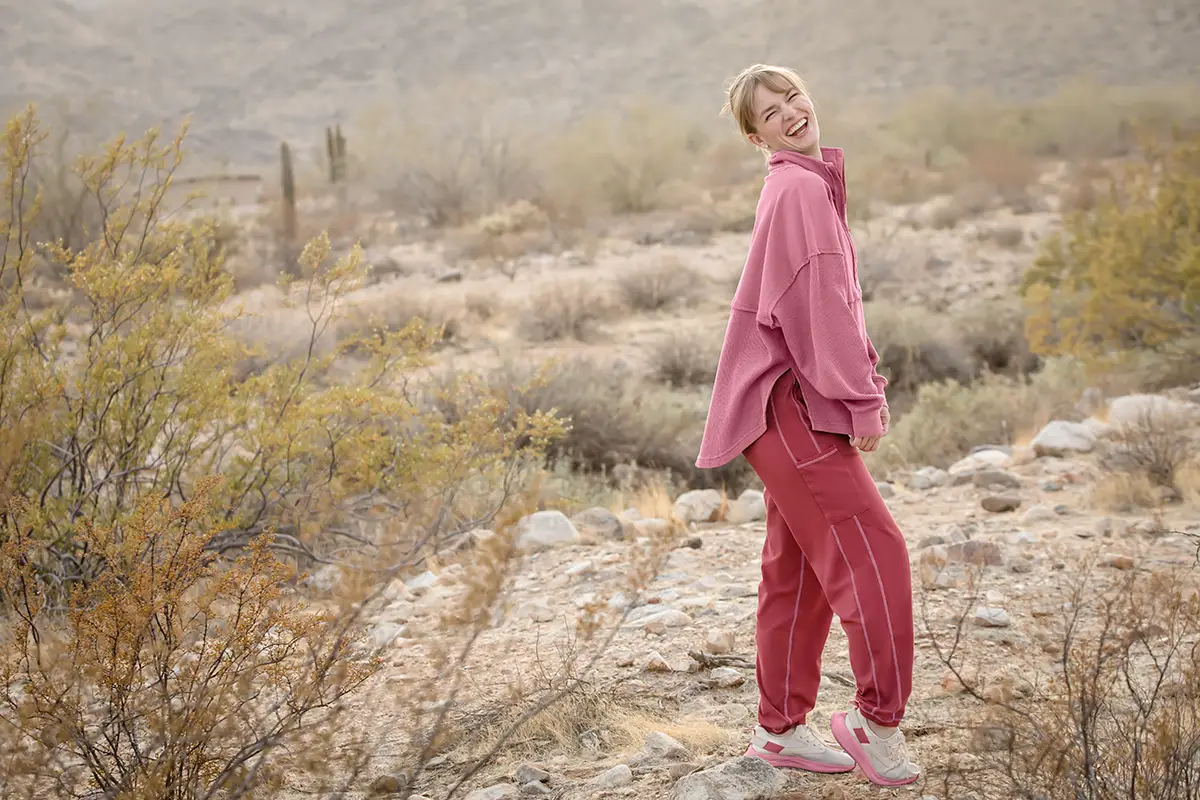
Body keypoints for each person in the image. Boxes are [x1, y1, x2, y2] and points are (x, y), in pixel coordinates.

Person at [695, 64, 921, 788]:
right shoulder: (798, 188)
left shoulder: (805, 184)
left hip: (778, 406)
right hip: (790, 403)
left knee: (798, 571)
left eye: (793, 96)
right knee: (875, 553)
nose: (791, 112)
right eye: (771, 112)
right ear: (756, 136)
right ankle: (875, 723)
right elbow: (817, 310)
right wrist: (862, 400)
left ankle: (779, 730)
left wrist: (855, 387)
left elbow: (832, 301)